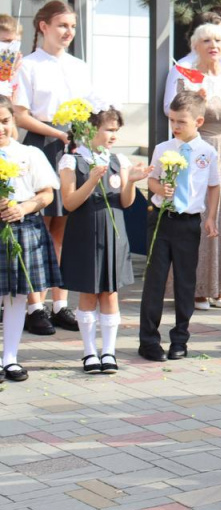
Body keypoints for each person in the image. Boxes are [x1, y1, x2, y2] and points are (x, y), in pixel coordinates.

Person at [15, 0, 93, 336]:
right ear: (43, 26)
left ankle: (60, 304)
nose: (68, 32)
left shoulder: (80, 65)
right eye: (62, 25)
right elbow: (21, 113)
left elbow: (93, 105)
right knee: (39, 227)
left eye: (72, 26)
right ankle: (34, 306)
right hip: (43, 143)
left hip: (74, 143)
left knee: (65, 226)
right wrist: (57, 132)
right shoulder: (28, 65)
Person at [60, 102, 151, 374]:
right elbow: (69, 203)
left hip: (114, 232)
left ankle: (109, 352)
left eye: (117, 130)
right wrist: (90, 180)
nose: (114, 136)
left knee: (110, 294)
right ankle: (89, 353)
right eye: (109, 129)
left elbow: (124, 202)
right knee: (88, 293)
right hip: (84, 230)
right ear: (90, 130)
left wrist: (133, 180)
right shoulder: (71, 160)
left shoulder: (118, 160)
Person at [170, 23, 221, 310]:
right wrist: (198, 103)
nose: (212, 44)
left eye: (217, 39)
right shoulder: (188, 77)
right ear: (196, 46)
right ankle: (197, 288)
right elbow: (178, 117)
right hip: (198, 149)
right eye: (205, 40)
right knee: (201, 210)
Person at [138, 92, 220, 362]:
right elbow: (151, 181)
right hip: (162, 220)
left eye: (181, 121)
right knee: (155, 281)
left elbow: (213, 186)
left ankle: (180, 338)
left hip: (188, 223)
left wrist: (210, 217)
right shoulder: (164, 148)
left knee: (186, 283)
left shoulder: (208, 152)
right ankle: (148, 340)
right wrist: (162, 188)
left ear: (198, 121)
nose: (175, 126)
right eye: (172, 120)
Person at [0, 93, 62, 382]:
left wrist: (23, 207)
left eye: (5, 121)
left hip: (23, 228)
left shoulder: (29, 154)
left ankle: (10, 359)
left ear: (13, 120)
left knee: (17, 296)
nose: (1, 128)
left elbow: (47, 193)